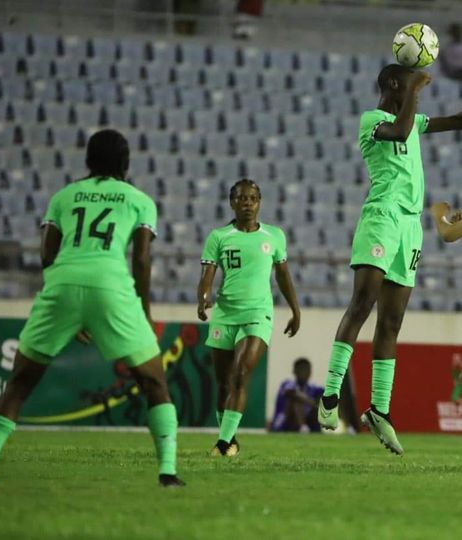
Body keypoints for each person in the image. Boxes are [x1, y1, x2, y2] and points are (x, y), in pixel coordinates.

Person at [0, 129, 184, 487]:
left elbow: (47, 253)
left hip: (63, 284)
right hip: (111, 288)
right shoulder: (139, 200)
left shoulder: (63, 196)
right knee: (154, 382)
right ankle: (168, 473)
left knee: (19, 383)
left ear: (87, 160)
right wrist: (144, 309)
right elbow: (142, 259)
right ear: (126, 164)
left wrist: (69, 305)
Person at [317, 64, 462, 455]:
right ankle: (330, 396)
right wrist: (415, 87)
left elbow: (451, 121)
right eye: (409, 84)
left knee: (392, 321)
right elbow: (398, 131)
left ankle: (379, 411)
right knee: (362, 304)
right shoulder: (373, 120)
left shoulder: (414, 120)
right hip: (381, 217)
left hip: (410, 227)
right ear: (394, 84)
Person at [197, 178, 301, 456]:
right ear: (232, 202)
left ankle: (222, 444)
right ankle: (229, 439)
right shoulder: (218, 236)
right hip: (225, 313)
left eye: (252, 198)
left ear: (259, 202)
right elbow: (207, 275)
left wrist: (295, 309)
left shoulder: (274, 236)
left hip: (258, 313)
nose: (247, 203)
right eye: (241, 198)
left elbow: (282, 275)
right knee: (223, 384)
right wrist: (202, 298)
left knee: (241, 373)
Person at [270, 357, 323, 433]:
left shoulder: (313, 388)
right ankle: (303, 428)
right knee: (296, 401)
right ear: (295, 371)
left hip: (308, 420)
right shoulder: (287, 383)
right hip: (285, 422)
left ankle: (317, 431)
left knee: (319, 405)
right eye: (301, 369)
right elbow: (291, 393)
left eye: (307, 369)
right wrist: (310, 402)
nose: (304, 372)